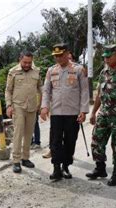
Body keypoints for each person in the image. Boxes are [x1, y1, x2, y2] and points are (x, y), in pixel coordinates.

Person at [86, 44, 116, 186]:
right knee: (97, 140)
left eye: (108, 56)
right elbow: (100, 95)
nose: (106, 59)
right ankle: (100, 168)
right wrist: (94, 112)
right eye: (104, 57)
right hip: (104, 113)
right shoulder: (103, 72)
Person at [41, 43, 90, 180]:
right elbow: (46, 90)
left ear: (67, 53)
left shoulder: (79, 70)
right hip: (56, 112)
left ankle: (66, 167)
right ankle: (56, 168)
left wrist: (83, 111)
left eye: (60, 55)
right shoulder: (51, 70)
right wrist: (44, 107)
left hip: (73, 112)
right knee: (55, 141)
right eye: (56, 56)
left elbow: (85, 91)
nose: (58, 58)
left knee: (70, 141)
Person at [5, 51, 42, 173]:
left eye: (29, 62)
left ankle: (25, 158)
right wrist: (9, 105)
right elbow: (8, 90)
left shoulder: (36, 71)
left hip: (32, 107)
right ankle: (16, 161)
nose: (27, 65)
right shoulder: (13, 72)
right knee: (18, 133)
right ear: (20, 60)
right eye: (25, 62)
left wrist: (41, 105)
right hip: (18, 106)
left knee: (28, 133)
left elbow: (40, 89)